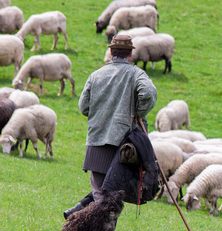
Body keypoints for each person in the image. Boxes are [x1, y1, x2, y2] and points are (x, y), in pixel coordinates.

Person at [64, 35, 157, 220]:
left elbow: (83, 107)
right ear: (130, 54)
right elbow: (148, 92)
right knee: (113, 194)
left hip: (96, 141)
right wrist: (139, 111)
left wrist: (100, 116)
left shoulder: (95, 75)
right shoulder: (135, 74)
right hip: (124, 145)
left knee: (101, 191)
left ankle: (79, 214)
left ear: (111, 52)